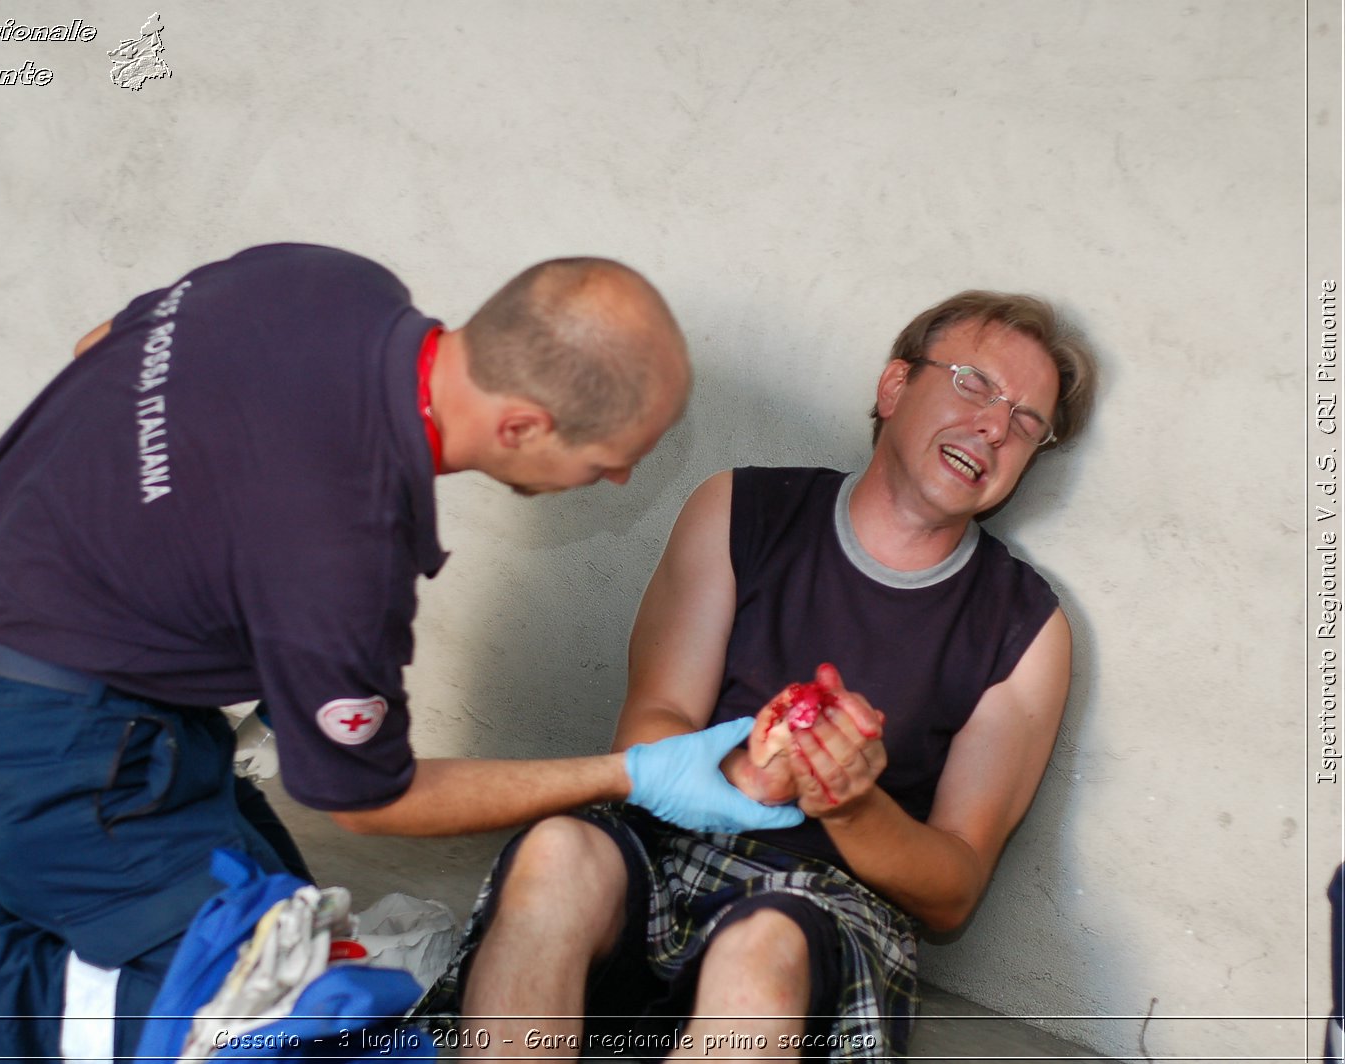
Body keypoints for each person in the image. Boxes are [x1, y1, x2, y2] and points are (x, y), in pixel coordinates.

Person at [0, 244, 800, 1062]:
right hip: (55, 748)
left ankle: (12, 860)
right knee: (267, 1016)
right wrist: (633, 772)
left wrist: (156, 558)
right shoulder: (347, 546)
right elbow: (367, 800)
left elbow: (100, 344)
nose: (616, 483)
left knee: (298, 919)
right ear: (523, 423)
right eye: (607, 460)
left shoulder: (327, 282)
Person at [429, 291, 1099, 1060]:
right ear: (894, 387)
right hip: (666, 849)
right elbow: (650, 728)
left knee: (765, 948)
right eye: (975, 384)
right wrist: (750, 772)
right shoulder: (740, 508)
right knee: (555, 851)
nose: (994, 427)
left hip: (826, 909)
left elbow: (952, 890)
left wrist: (851, 806)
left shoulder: (1026, 629)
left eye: (1026, 422)